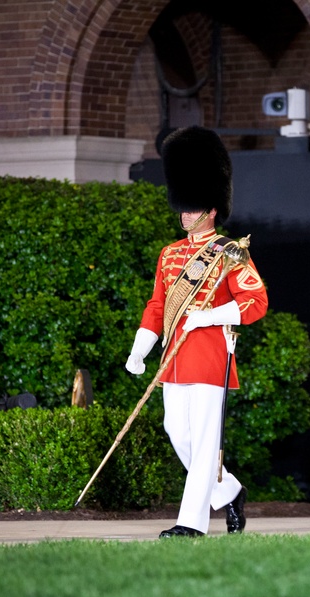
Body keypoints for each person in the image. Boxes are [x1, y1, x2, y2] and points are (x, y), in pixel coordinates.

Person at [125, 126, 269, 538]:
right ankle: (229, 492)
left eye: (190, 207)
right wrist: (141, 348)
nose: (183, 214)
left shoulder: (229, 252)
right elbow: (157, 305)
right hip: (173, 357)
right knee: (177, 432)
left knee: (205, 441)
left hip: (210, 353)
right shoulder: (170, 253)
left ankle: (192, 523)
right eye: (181, 206)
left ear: (209, 208)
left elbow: (255, 302)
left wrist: (208, 317)